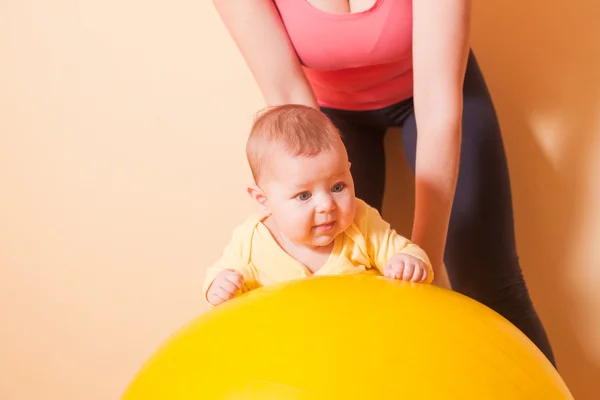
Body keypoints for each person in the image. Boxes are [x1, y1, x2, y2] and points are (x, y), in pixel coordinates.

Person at [211, 0, 556, 366]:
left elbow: (438, 107)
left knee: (487, 275)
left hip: (433, 92)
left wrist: (426, 261)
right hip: (320, 123)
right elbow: (286, 95)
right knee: (335, 293)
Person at [203, 105, 433, 306]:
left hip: (360, 335)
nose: (326, 205)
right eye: (304, 195)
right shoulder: (250, 242)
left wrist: (408, 262)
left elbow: (405, 251)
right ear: (263, 200)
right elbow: (219, 279)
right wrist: (220, 286)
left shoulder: (362, 222)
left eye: (337, 187)